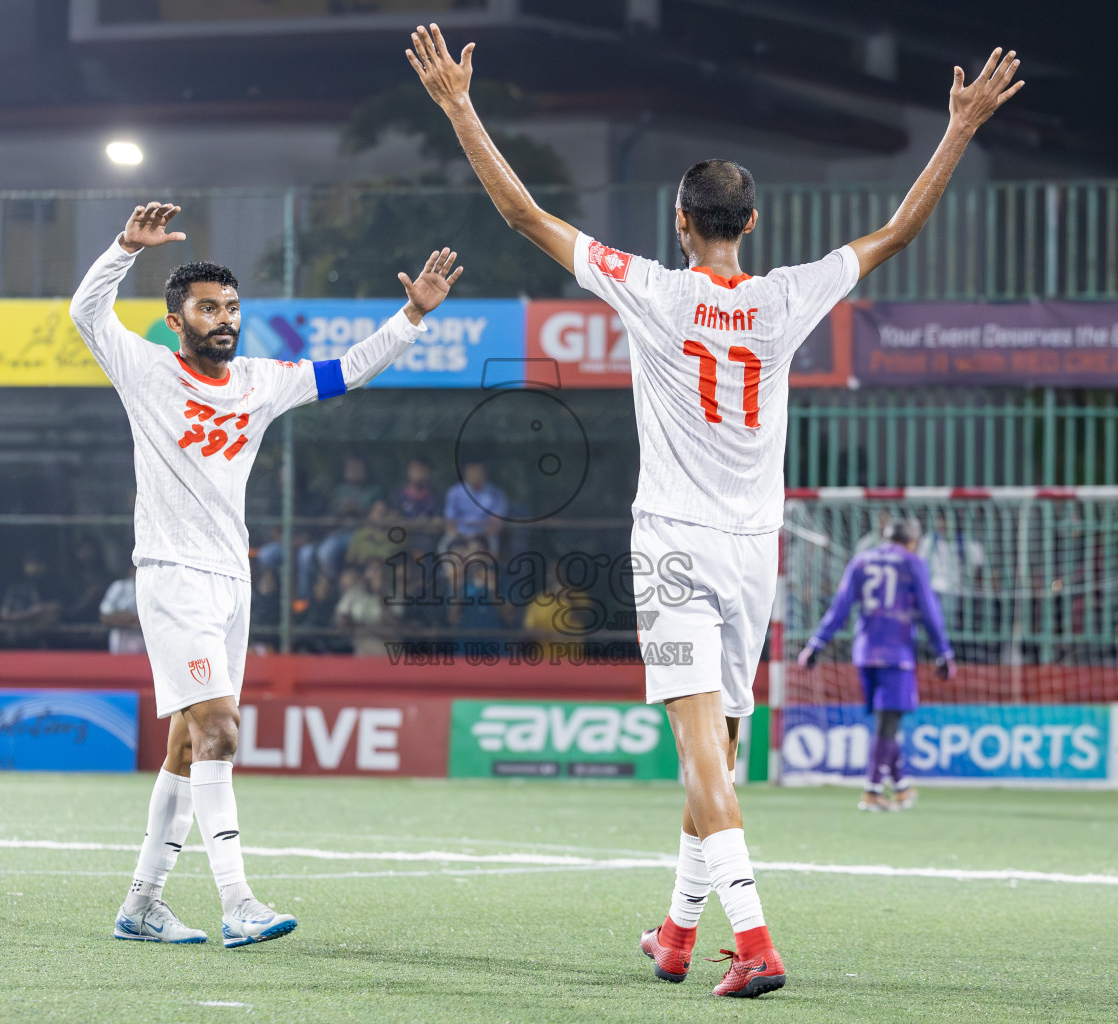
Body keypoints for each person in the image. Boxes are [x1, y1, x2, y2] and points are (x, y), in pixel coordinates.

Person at [407, 23, 1021, 997]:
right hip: (755, 551)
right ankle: (680, 934)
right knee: (721, 749)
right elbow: (896, 232)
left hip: (678, 546)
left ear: (682, 223)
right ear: (754, 221)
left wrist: (456, 105)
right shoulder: (784, 297)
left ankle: (759, 940)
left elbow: (525, 216)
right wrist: (958, 129)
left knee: (700, 746)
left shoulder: (650, 287)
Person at [69, 201, 462, 947]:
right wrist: (124, 247)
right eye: (209, 308)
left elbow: (347, 371)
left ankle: (142, 903)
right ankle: (238, 900)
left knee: (189, 744)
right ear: (176, 318)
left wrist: (412, 316)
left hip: (230, 583)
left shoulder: (258, 380)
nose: (225, 318)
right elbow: (86, 313)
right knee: (219, 730)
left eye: (233, 307)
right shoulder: (144, 368)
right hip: (172, 575)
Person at [795, 518, 956, 812]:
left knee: (886, 722)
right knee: (888, 722)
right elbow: (929, 611)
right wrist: (943, 650)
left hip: (865, 651)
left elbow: (840, 606)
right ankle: (871, 790)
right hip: (896, 654)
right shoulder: (912, 562)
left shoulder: (861, 560)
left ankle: (901, 786)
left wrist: (816, 642)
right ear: (912, 541)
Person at [295, 455, 381, 602]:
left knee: (328, 550)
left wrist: (358, 511)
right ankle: (309, 598)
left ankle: (333, 590)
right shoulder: (340, 491)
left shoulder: (374, 491)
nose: (353, 471)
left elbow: (376, 517)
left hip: (362, 534)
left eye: (356, 467)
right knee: (315, 552)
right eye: (349, 467)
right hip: (338, 533)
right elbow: (330, 518)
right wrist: (342, 513)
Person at [441, 460, 507, 553]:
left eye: (478, 471)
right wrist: (462, 540)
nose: (475, 474)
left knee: (486, 560)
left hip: (484, 538)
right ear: (465, 472)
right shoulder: (454, 492)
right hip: (459, 537)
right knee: (448, 555)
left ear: (484, 472)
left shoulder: (495, 494)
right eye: (471, 471)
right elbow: (449, 521)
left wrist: (477, 541)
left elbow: (495, 524)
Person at [99, 564, 144, 655]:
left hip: (146, 637)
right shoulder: (119, 587)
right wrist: (130, 618)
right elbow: (104, 617)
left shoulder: (156, 590)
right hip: (122, 636)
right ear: (132, 570)